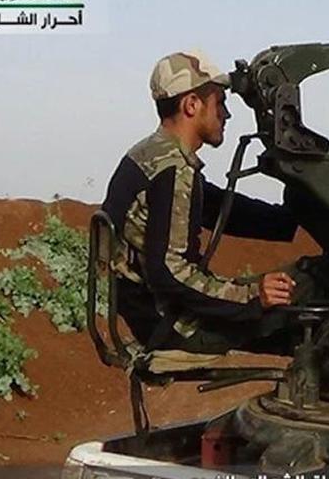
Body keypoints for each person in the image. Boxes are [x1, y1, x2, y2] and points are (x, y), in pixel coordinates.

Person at [101, 49, 302, 355]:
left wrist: (285, 221)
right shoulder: (173, 169)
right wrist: (251, 296)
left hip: (149, 311)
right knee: (310, 303)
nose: (226, 114)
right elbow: (170, 273)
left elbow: (212, 206)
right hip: (173, 325)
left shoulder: (151, 153)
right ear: (191, 104)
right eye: (219, 103)